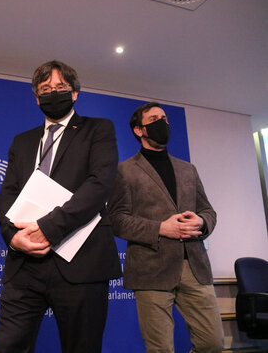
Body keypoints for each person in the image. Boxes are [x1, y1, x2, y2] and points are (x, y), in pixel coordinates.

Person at [0, 60, 122, 353]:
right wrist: (12, 237)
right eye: (45, 89)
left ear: (75, 92)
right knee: (7, 346)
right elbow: (7, 194)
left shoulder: (99, 129)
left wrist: (48, 228)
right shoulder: (22, 142)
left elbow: (99, 185)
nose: (53, 93)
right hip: (24, 264)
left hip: (82, 263)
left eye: (61, 87)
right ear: (37, 98)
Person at [108, 102, 224, 352]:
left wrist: (202, 222)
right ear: (139, 130)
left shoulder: (188, 169)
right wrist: (161, 228)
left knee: (213, 343)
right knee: (160, 349)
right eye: (154, 119)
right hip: (151, 269)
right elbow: (116, 219)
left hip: (194, 266)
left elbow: (209, 211)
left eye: (165, 118)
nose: (162, 123)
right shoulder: (125, 171)